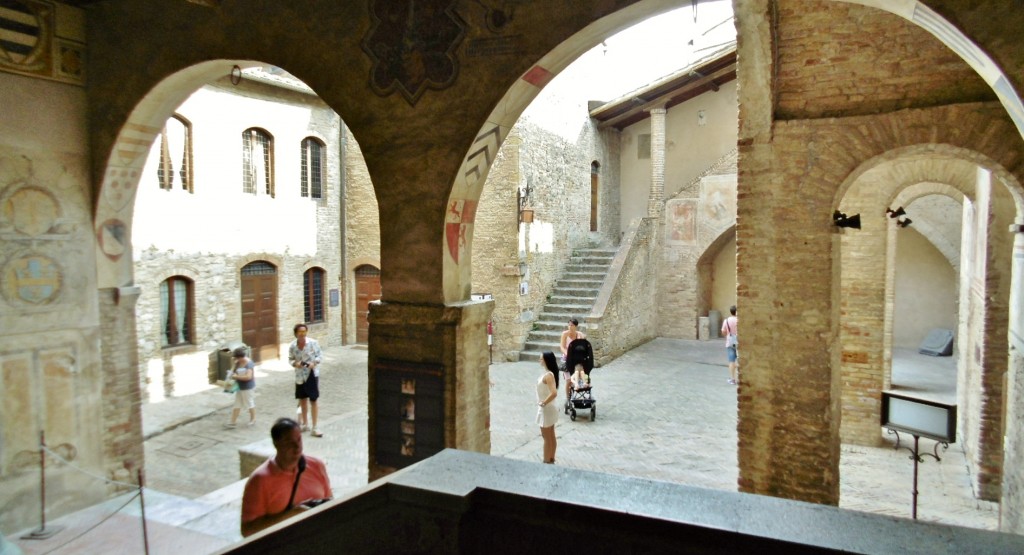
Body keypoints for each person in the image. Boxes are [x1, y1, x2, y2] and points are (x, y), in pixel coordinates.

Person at [240, 418, 332, 537]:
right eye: (289, 442)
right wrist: (293, 514)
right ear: (276, 444)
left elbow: (329, 501)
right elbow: (248, 530)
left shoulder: (317, 465)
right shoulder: (259, 481)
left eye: (299, 440)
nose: (297, 447)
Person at [289, 323, 324, 437]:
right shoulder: (293, 346)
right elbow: (290, 359)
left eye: (304, 332)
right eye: (300, 332)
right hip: (299, 376)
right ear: (296, 333)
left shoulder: (313, 343)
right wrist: (295, 363)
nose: (302, 334)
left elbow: (320, 356)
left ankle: (315, 427)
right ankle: (305, 424)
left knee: (313, 400)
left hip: (311, 374)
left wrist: (314, 363)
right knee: (302, 400)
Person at [537, 352, 560, 464]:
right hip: (550, 408)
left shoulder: (548, 376)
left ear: (546, 360)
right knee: (551, 435)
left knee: (546, 437)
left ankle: (547, 461)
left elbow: (554, 393)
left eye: (541, 359)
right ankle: (551, 458)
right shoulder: (548, 374)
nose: (539, 360)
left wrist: (544, 403)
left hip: (547, 409)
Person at [225, 346, 256, 428]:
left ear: (241, 357)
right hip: (240, 386)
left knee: (249, 403)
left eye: (237, 358)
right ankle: (233, 422)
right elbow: (234, 371)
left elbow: (248, 377)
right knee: (237, 404)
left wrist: (236, 377)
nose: (237, 360)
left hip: (247, 387)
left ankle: (253, 419)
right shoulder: (238, 362)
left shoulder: (249, 364)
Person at [559, 318, 585, 402]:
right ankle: (568, 398)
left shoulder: (579, 334)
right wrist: (568, 354)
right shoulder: (565, 334)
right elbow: (562, 347)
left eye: (572, 325)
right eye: (569, 325)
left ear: (576, 326)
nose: (570, 327)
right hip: (567, 358)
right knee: (568, 380)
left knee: (578, 376)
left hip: (576, 359)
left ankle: (578, 389)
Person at [721, 305, 738, 385]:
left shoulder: (727, 320)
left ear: (731, 312)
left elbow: (723, 331)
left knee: (731, 361)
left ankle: (732, 379)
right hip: (739, 342)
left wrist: (728, 334)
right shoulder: (739, 320)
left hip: (730, 342)